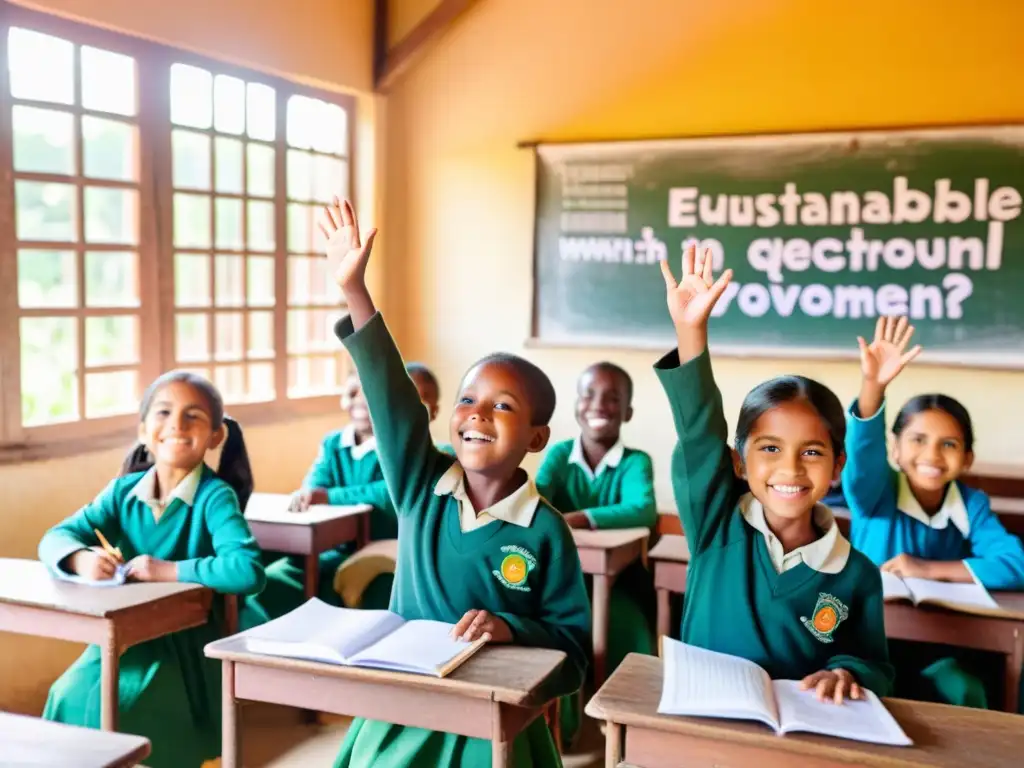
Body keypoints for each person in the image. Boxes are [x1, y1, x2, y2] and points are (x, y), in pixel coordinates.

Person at [323, 197, 590, 767]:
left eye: (503, 406)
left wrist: (508, 626)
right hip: (405, 709)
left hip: (492, 728)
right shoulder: (422, 483)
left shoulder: (546, 532)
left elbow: (573, 653)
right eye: (468, 400)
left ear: (538, 438)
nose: (477, 415)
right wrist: (356, 293)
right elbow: (393, 401)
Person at [655, 245, 893, 703]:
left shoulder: (856, 574)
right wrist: (691, 332)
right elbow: (699, 432)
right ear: (739, 462)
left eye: (811, 452)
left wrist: (846, 672)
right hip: (702, 727)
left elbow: (872, 662)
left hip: (797, 741)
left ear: (837, 466)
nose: (790, 468)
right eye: (769, 448)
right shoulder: (715, 524)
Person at [39, 371, 266, 768]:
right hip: (123, 636)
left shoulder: (215, 496)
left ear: (215, 436)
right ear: (144, 431)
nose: (177, 425)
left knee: (130, 706)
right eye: (163, 413)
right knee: (68, 693)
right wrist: (81, 558)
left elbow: (247, 570)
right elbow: (56, 537)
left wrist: (168, 571)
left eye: (193, 416)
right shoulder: (122, 492)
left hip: (187, 642)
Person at [843, 316, 1024, 708]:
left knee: (963, 687)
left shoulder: (971, 504)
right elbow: (861, 461)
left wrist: (925, 568)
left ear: (967, 457)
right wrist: (873, 386)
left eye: (949, 445)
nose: (931, 455)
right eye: (918, 440)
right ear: (894, 449)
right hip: (867, 644)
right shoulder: (877, 494)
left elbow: (1016, 563)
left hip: (942, 644)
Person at [535, 361, 656, 741]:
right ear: (575, 405)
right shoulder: (558, 455)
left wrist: (577, 518)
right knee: (559, 631)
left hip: (621, 583)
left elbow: (642, 509)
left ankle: (623, 730)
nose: (598, 404)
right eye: (589, 394)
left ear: (628, 412)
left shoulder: (636, 461)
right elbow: (535, 501)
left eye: (612, 398)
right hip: (562, 582)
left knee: (628, 629)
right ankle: (564, 730)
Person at [260, 372, 397, 617]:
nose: (360, 402)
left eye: (369, 395)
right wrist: (311, 494)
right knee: (270, 577)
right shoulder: (333, 442)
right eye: (352, 394)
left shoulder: (394, 445)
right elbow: (314, 483)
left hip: (376, 540)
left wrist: (328, 497)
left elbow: (387, 493)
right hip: (328, 543)